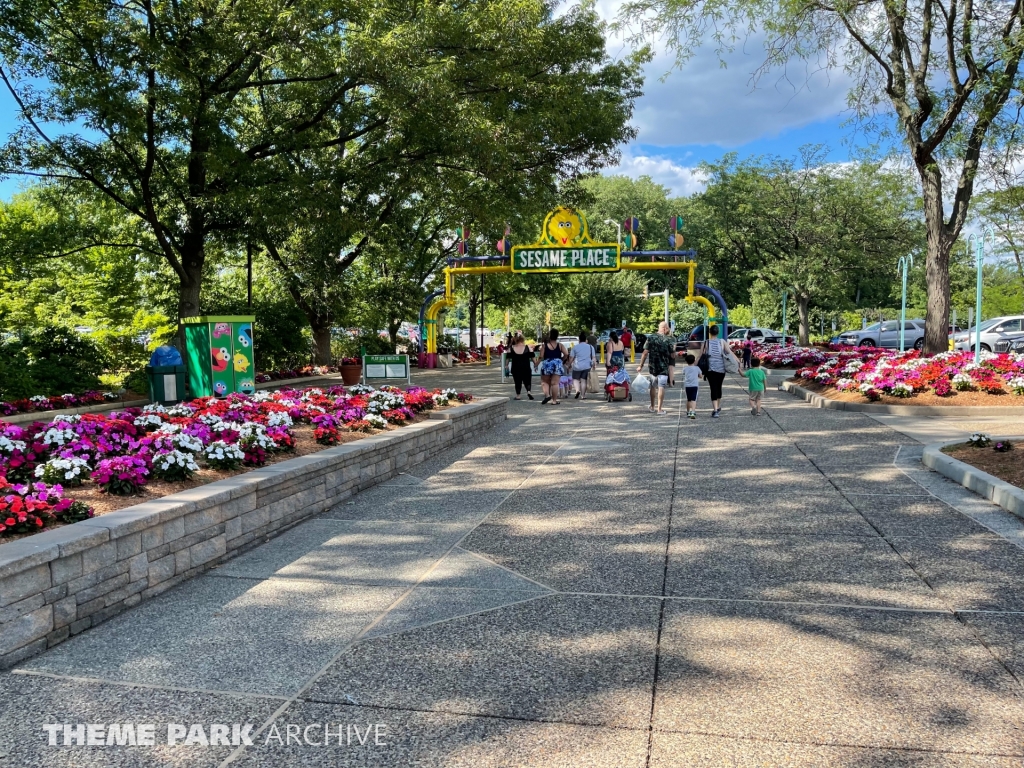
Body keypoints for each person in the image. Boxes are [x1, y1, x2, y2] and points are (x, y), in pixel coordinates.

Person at [701, 324, 739, 418]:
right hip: (721, 369)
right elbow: (730, 352)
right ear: (718, 333)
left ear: (710, 333)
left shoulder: (706, 343)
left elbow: (701, 355)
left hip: (710, 369)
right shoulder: (722, 342)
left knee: (713, 388)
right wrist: (738, 361)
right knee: (718, 387)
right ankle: (717, 407)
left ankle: (715, 410)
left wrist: (694, 365)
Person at [636, 320, 674, 415]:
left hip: (653, 367)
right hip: (663, 367)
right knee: (661, 387)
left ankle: (652, 407)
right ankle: (659, 409)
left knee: (653, 386)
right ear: (665, 328)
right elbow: (673, 355)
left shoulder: (651, 338)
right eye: (667, 328)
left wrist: (640, 365)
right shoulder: (668, 339)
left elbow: (645, 353)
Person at [535, 328, 567, 405]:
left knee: (544, 382)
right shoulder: (560, 345)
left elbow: (541, 356)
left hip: (547, 364)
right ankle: (554, 401)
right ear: (557, 336)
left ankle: (547, 395)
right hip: (557, 364)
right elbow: (566, 354)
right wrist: (561, 360)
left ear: (550, 335)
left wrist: (536, 364)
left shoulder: (544, 346)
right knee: (555, 383)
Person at [507, 333, 535, 401]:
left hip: (515, 367)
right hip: (526, 367)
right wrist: (536, 364)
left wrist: (506, 365)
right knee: (527, 380)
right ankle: (529, 391)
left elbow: (507, 358)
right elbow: (533, 358)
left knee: (517, 381)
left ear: (515, 339)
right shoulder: (528, 348)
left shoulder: (511, 348)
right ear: (523, 339)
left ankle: (518, 395)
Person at [569, 331, 596, 400]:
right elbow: (593, 357)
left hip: (577, 366)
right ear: (586, 340)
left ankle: (577, 390)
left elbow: (571, 358)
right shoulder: (590, 347)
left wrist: (569, 364)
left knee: (575, 379)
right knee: (583, 380)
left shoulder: (575, 347)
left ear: (579, 340)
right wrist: (594, 365)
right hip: (587, 366)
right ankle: (583, 395)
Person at [682, 353, 703, 419]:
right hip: (694, 385)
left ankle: (688, 411)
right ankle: (693, 412)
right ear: (694, 360)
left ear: (686, 361)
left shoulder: (685, 368)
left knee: (688, 399)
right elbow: (700, 376)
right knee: (693, 399)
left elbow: (683, 373)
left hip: (687, 386)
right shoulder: (697, 368)